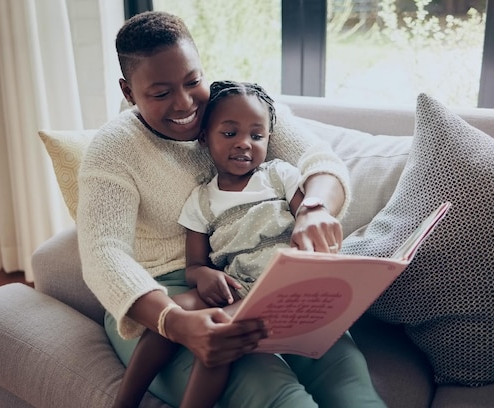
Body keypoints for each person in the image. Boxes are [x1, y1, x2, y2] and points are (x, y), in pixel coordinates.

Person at [77, 10, 386, 408]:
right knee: (280, 397)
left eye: (193, 81)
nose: (186, 102)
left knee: (350, 384)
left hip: (251, 281)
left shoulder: (233, 106)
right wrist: (173, 322)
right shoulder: (114, 149)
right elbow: (103, 253)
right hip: (155, 297)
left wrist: (313, 207)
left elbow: (319, 159)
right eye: (161, 92)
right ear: (128, 91)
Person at [114, 80, 337, 408]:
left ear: (268, 139)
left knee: (219, 335)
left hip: (285, 288)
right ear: (204, 138)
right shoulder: (201, 200)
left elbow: (307, 221)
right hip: (239, 288)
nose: (244, 144)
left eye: (256, 136)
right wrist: (204, 276)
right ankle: (124, 401)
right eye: (230, 133)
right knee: (169, 315)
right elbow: (194, 266)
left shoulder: (280, 176)